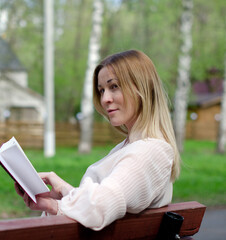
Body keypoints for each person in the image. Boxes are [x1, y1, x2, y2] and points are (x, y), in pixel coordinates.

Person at [14, 50, 181, 231]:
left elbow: (100, 207)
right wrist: (59, 198)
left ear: (141, 88)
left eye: (114, 86)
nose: (105, 99)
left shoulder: (150, 151)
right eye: (101, 90)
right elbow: (107, 201)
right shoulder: (130, 147)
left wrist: (59, 197)